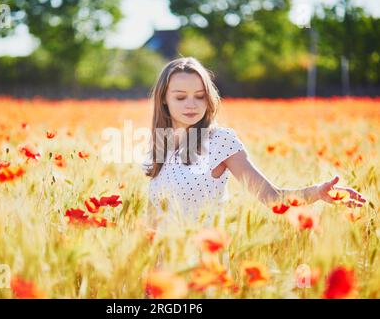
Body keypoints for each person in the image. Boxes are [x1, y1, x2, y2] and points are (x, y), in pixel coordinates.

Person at [142, 56, 366, 228]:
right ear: (164, 99)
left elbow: (271, 197)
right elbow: (153, 222)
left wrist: (316, 192)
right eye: (180, 97)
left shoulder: (221, 141)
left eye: (199, 96)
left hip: (204, 271)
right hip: (162, 274)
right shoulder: (160, 146)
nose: (191, 104)